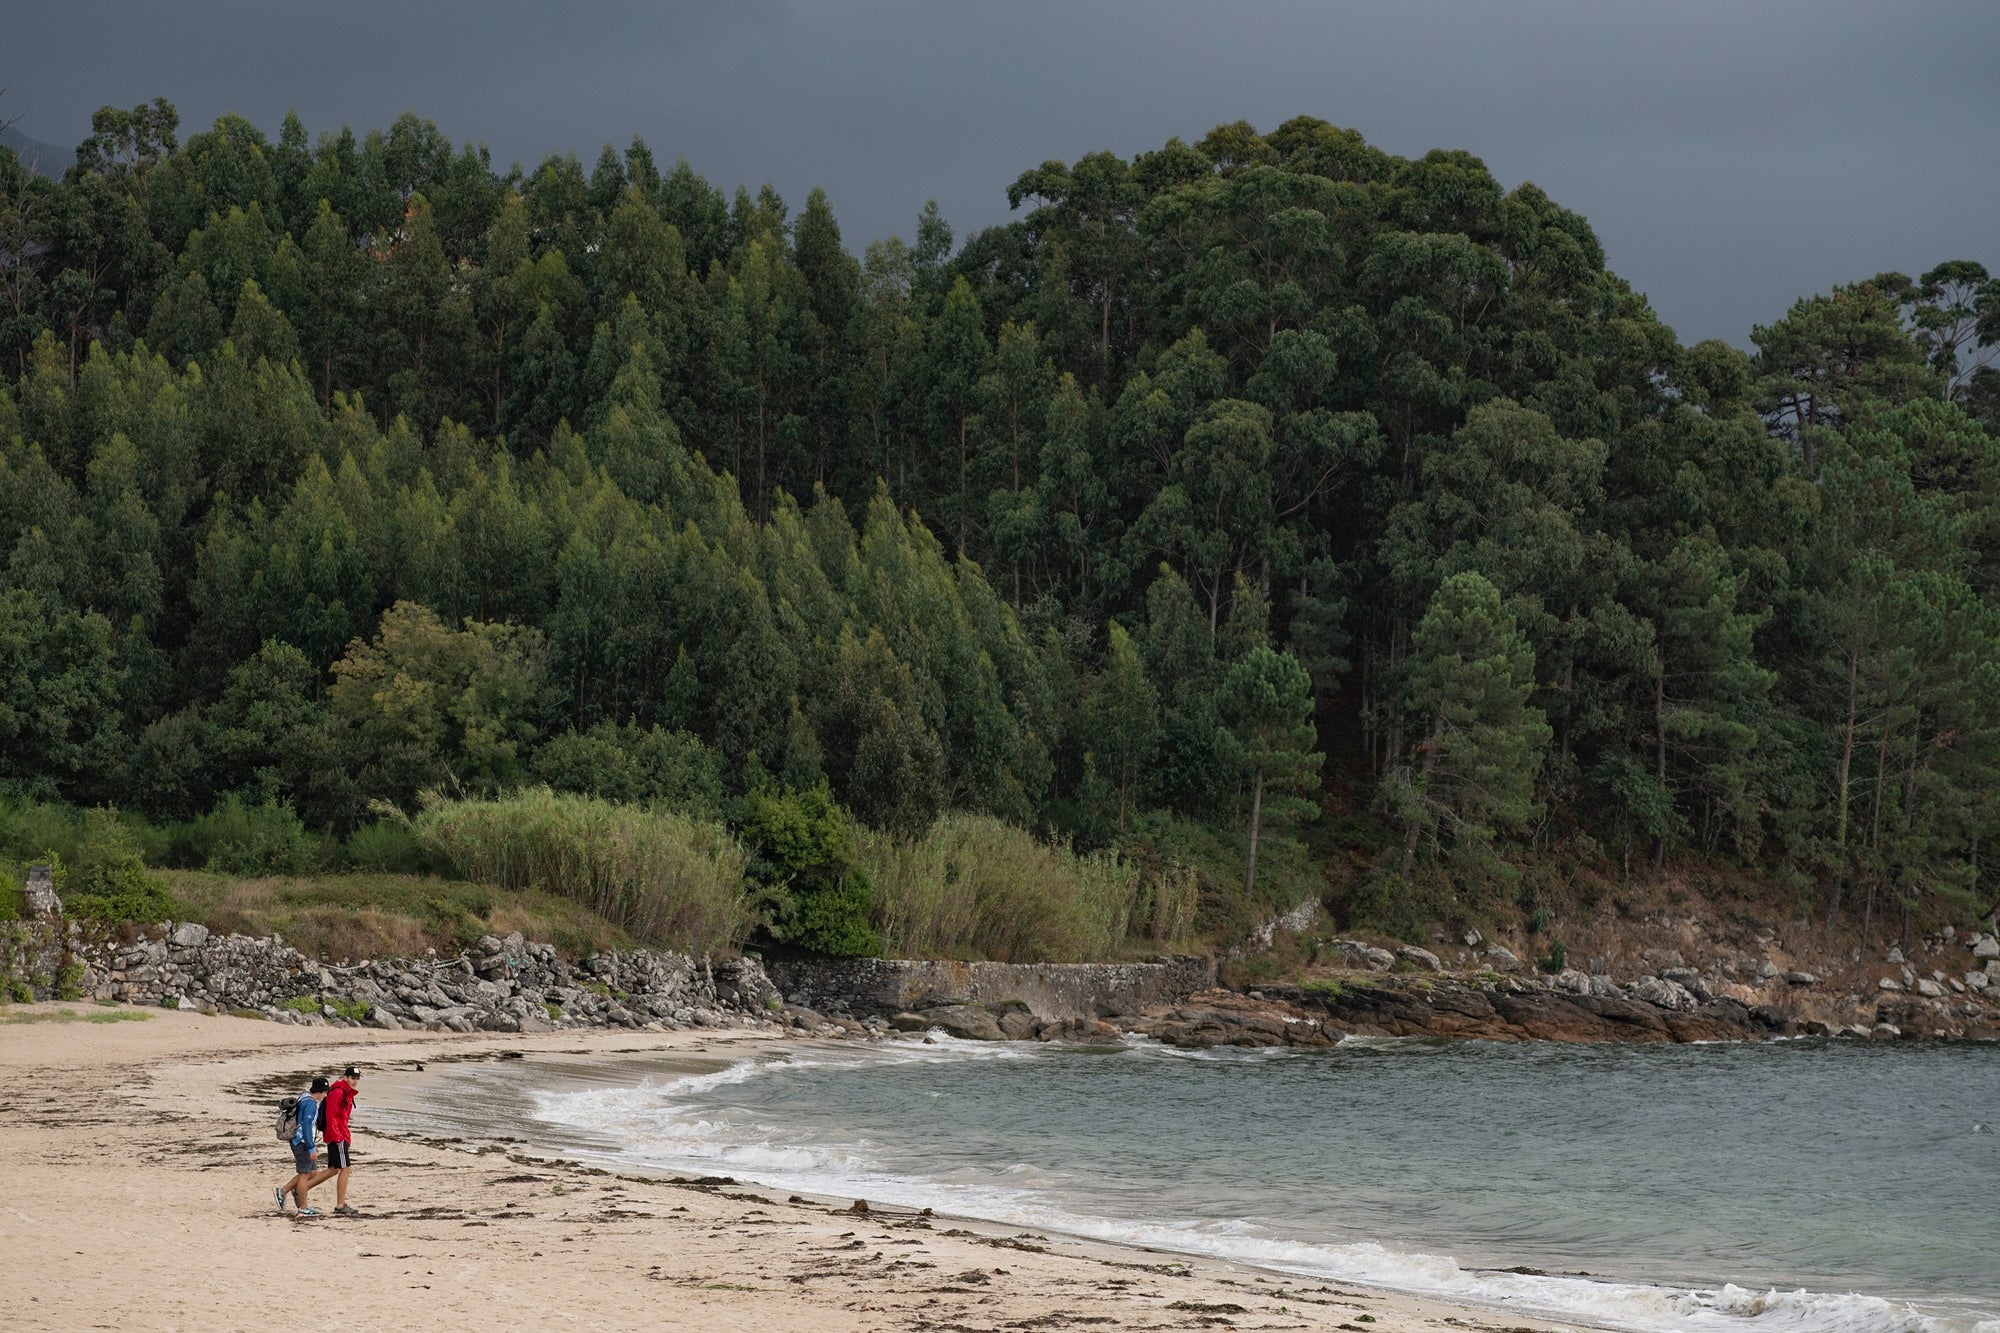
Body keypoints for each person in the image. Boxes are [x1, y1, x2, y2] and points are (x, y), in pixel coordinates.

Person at [306, 1065, 362, 1215]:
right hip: (337, 1136)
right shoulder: (338, 1092)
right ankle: (340, 1205)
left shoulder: (346, 1092)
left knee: (333, 1169)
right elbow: (331, 1116)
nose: (355, 1081)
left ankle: (302, 1189)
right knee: (345, 1168)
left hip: (339, 1135)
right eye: (352, 1078)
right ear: (346, 1077)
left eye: (357, 1078)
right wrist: (338, 1137)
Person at [277, 1075, 331, 1217]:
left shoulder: (304, 1097)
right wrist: (311, 1147)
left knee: (312, 1172)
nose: (326, 1095)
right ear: (319, 1091)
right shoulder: (311, 1103)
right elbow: (306, 1126)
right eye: (325, 1092)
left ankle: (284, 1191)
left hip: (300, 1141)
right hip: (300, 1142)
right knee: (304, 1174)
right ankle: (303, 1207)